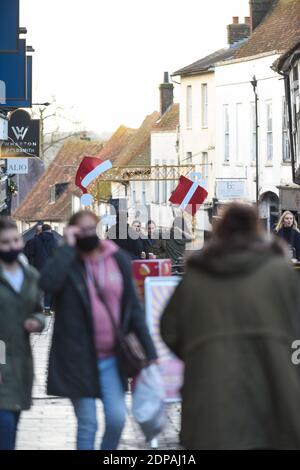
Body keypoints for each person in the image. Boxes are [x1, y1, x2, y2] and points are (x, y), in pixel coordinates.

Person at [161, 203, 300, 450]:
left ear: (219, 231)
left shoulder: (197, 275)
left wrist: (200, 350)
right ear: (257, 229)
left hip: (210, 391)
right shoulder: (279, 271)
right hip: (272, 387)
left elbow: (169, 329)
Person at [39, 210, 157, 450]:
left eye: (91, 229)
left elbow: (133, 308)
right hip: (77, 359)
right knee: (88, 422)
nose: (87, 235)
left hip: (113, 358)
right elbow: (47, 284)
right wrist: (66, 247)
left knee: (117, 419)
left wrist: (151, 352)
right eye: (81, 231)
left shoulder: (118, 260)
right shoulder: (68, 263)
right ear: (72, 233)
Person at [0, 218, 45, 450]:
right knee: (5, 424)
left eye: (15, 240)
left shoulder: (30, 276)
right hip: (2, 360)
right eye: (4, 242)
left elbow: (39, 311)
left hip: (22, 363)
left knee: (13, 423)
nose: (11, 246)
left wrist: (36, 322)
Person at [30, 224, 58, 312]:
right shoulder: (55, 240)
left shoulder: (35, 240)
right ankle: (47, 308)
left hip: (37, 267)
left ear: (42, 230)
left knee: (36, 288)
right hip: (51, 268)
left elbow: (31, 254)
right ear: (50, 230)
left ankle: (35, 309)